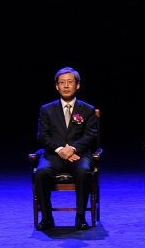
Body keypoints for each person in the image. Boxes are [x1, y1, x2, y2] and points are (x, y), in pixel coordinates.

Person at [33, 67, 100, 230]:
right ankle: (47, 218)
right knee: (41, 173)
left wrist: (73, 149)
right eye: (62, 83)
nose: (66, 86)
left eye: (70, 82)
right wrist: (60, 150)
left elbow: (90, 135)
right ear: (57, 86)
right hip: (53, 155)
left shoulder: (87, 109)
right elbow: (43, 136)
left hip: (79, 155)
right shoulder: (47, 109)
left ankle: (80, 216)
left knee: (84, 172)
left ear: (77, 85)